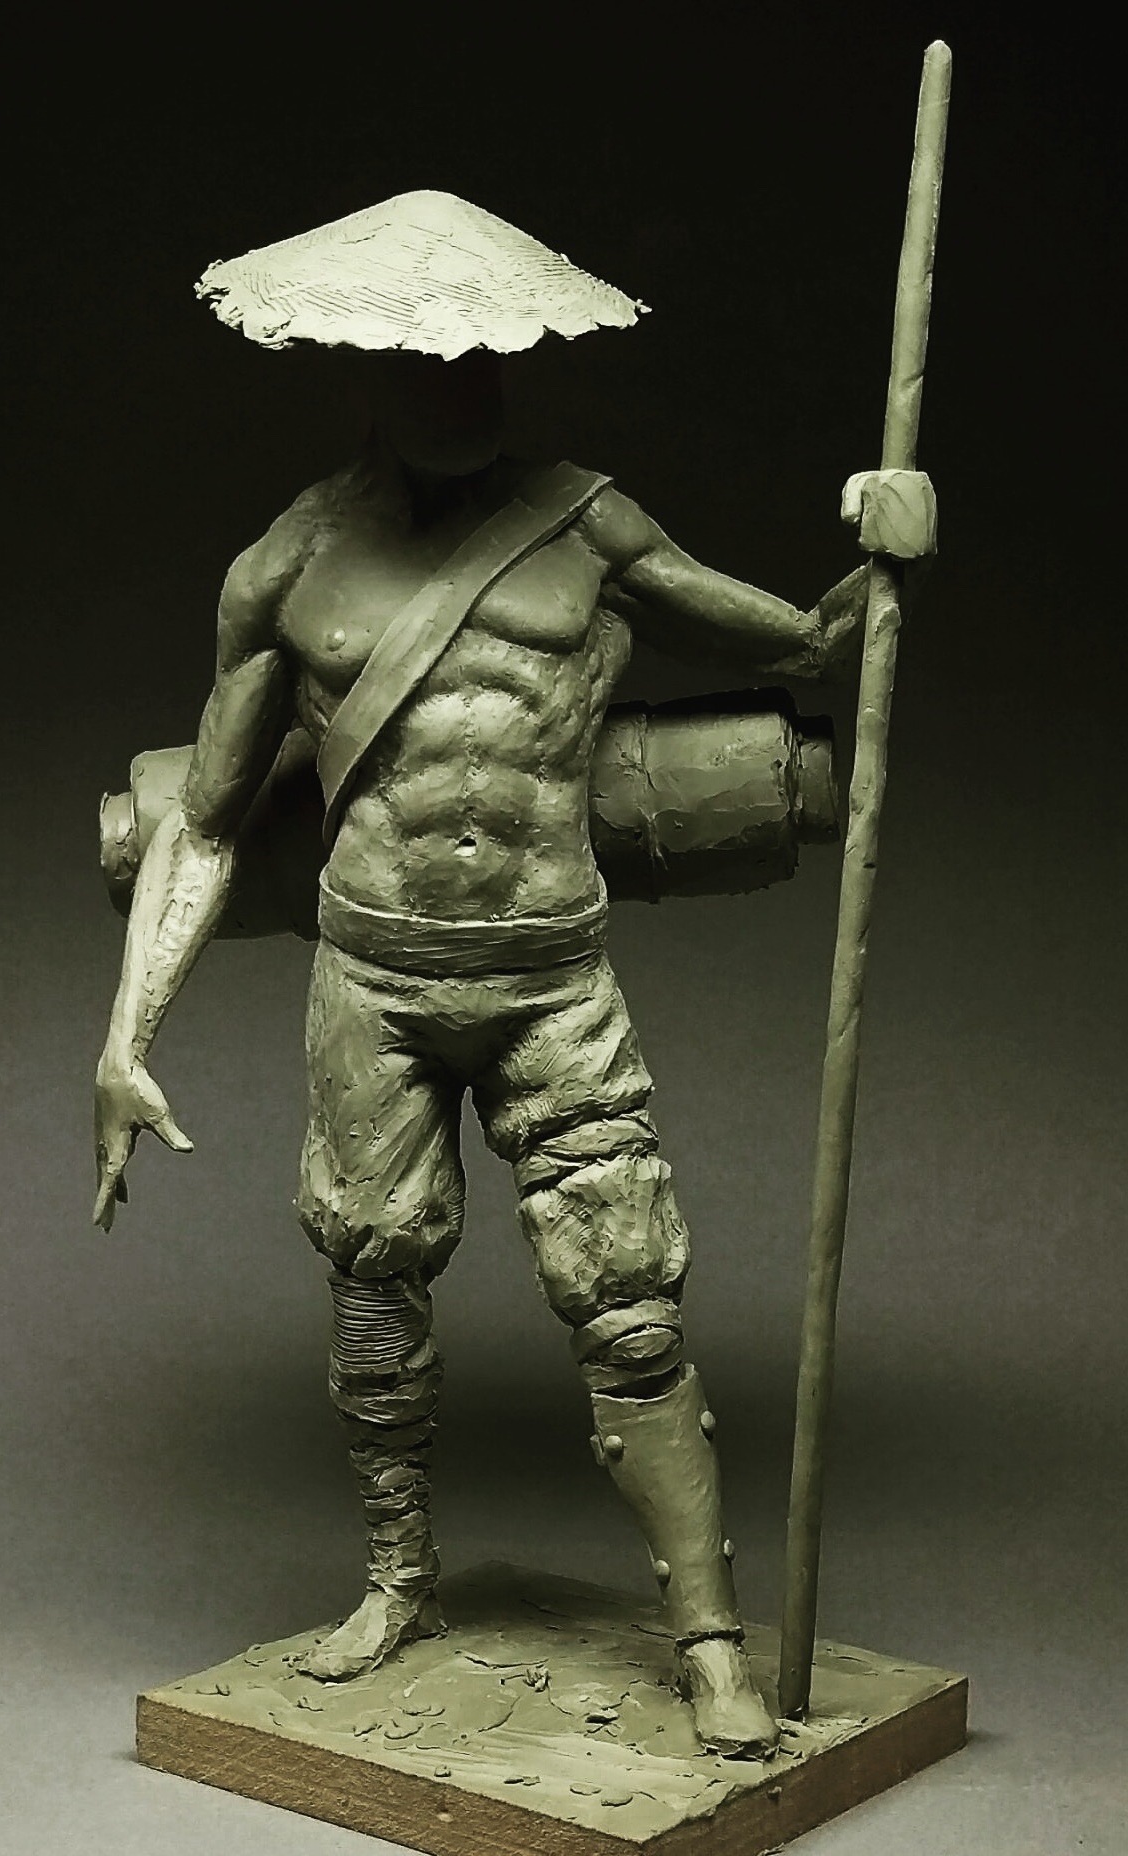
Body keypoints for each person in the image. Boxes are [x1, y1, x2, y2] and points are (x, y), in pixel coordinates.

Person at [92, 192, 935, 1757]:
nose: (460, 386)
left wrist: (885, 546)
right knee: (373, 1286)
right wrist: (126, 1036)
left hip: (553, 978)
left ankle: (707, 1640)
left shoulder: (589, 526)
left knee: (629, 1303)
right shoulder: (286, 565)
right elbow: (203, 821)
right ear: (370, 373)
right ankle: (397, 1581)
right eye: (431, 362)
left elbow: (810, 650)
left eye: (484, 358)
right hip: (371, 980)